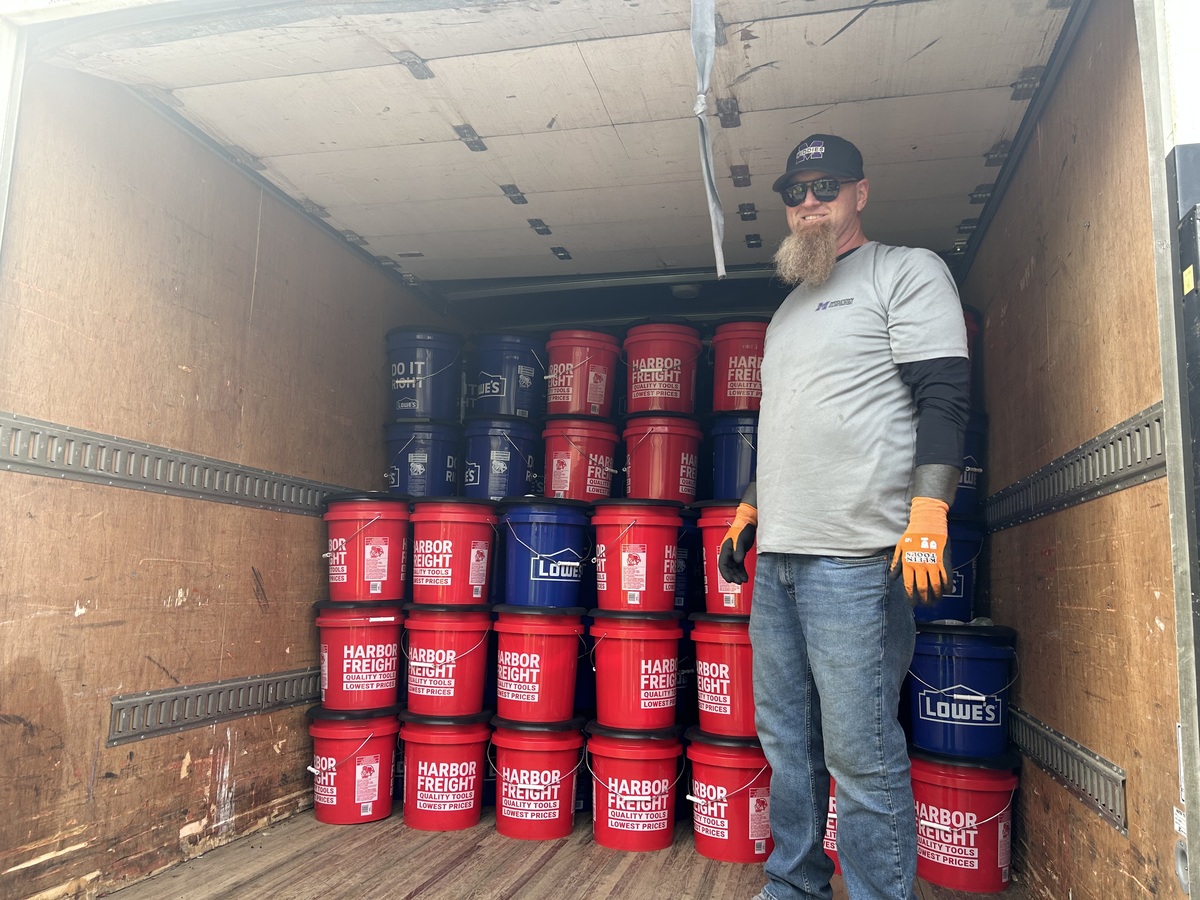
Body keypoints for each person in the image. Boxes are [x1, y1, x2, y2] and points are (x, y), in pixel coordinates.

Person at [718, 133, 971, 900]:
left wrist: (929, 509)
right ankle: (792, 885)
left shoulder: (906, 271)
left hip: (858, 560)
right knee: (788, 746)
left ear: (861, 191)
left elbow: (944, 396)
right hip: (783, 564)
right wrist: (750, 509)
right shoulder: (787, 313)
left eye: (825, 187)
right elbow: (793, 425)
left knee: (861, 756)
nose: (808, 204)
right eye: (794, 192)